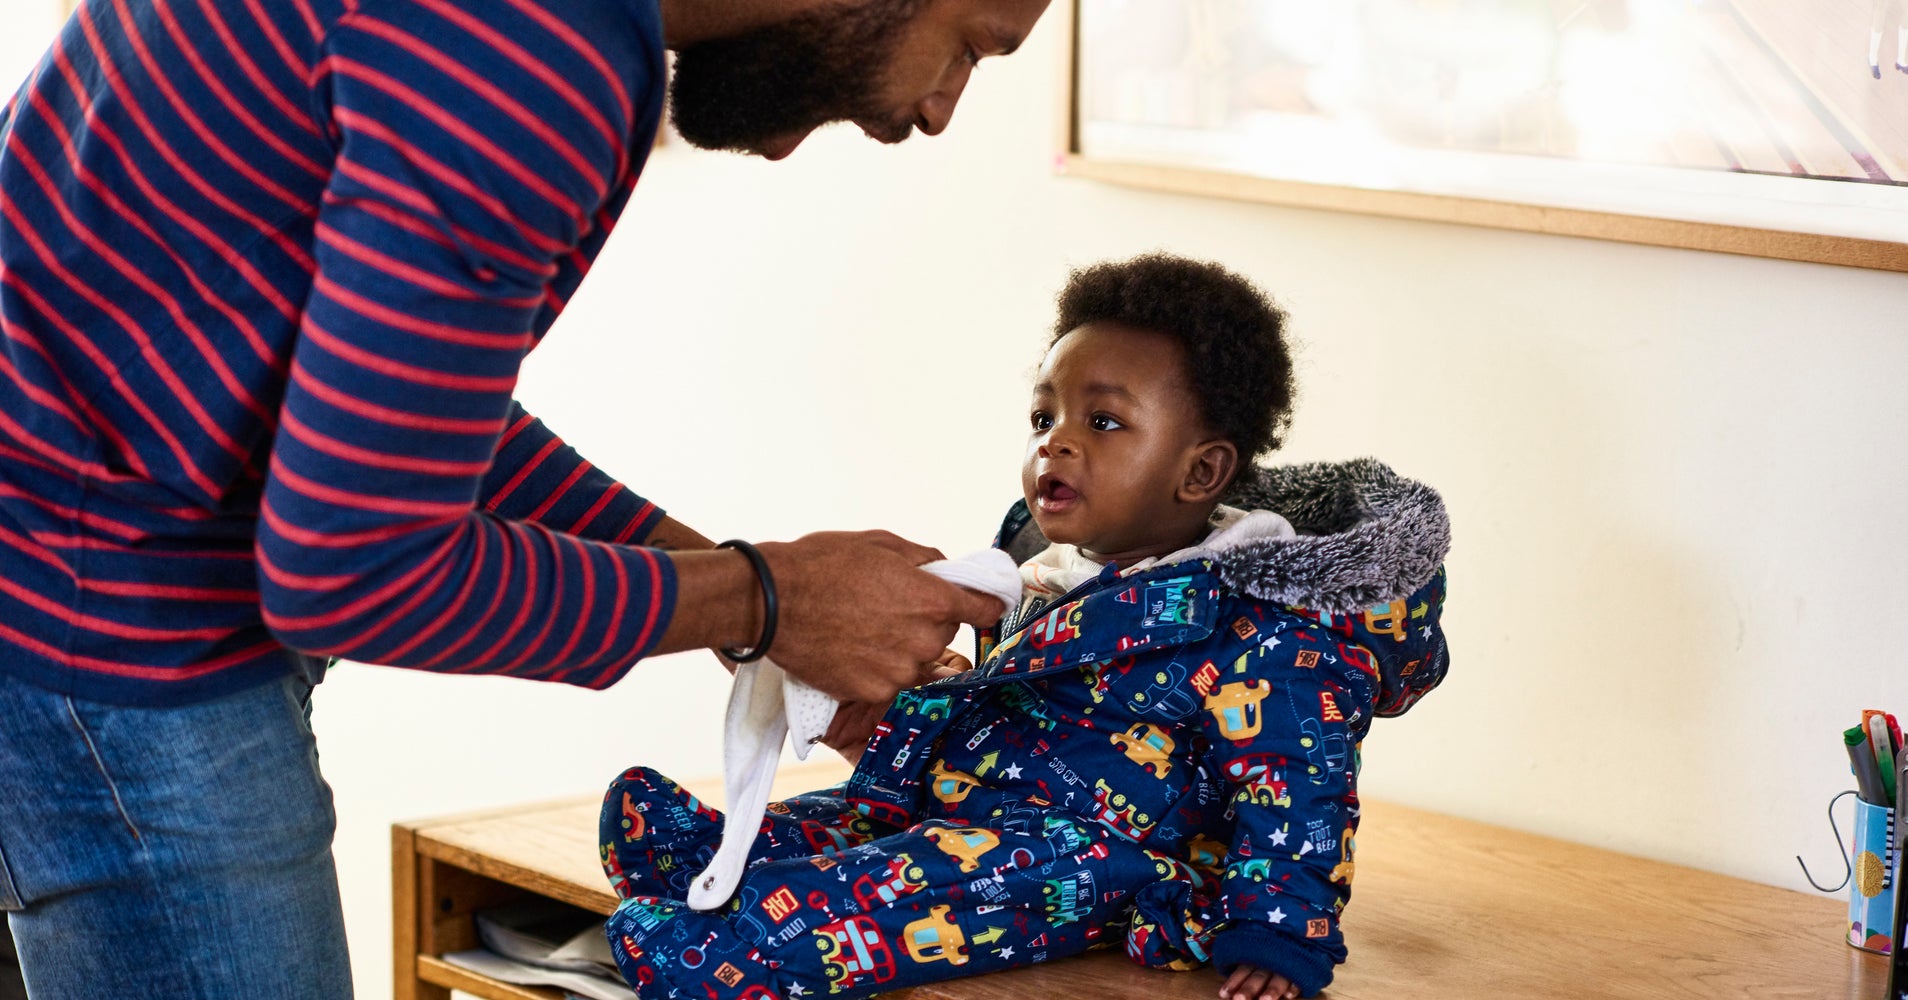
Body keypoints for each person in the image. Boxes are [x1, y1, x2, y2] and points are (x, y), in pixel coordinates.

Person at [0, 0, 1051, 996]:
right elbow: (353, 568)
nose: (938, 109)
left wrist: (767, 608)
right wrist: (765, 599)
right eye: (971, 45)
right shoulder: (530, 56)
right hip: (94, 628)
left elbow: (387, 412)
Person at [598, 253, 1453, 1000]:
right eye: (1045, 418)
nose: (1057, 444)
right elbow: (1004, 718)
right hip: (983, 810)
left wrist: (1275, 937)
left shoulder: (1269, 627)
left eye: (1103, 422)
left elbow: (1298, 791)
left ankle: (747, 948)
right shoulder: (1046, 573)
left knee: (918, 889)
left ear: (1202, 471)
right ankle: (723, 860)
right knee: (870, 825)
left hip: (1105, 861)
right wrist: (908, 712)